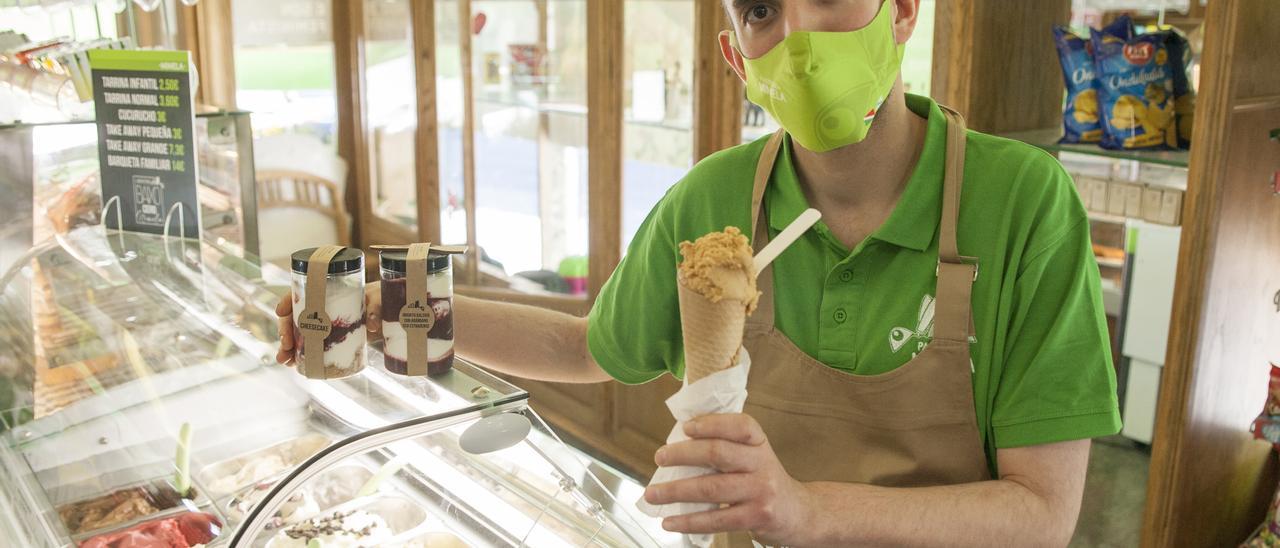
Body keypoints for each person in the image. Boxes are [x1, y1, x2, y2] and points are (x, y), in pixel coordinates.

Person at [277, 0, 1120, 545]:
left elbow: (1041, 511)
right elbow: (587, 349)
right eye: (761, 12)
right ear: (734, 53)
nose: (799, 37)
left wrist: (807, 511)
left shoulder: (1022, 205)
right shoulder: (716, 201)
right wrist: (370, 312)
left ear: (902, 10)